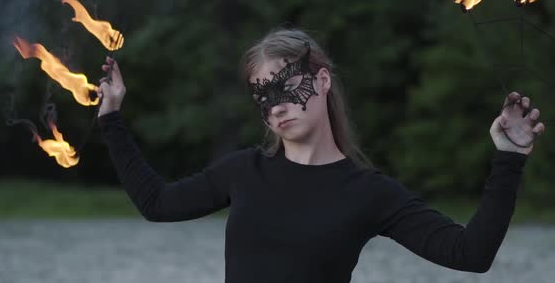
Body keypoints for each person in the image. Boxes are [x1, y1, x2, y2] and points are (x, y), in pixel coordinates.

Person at [96, 28, 546, 283]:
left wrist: (508, 159)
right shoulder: (244, 172)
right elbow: (156, 204)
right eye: (262, 94)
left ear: (323, 81)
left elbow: (470, 253)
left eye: (287, 86)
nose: (276, 104)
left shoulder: (368, 193)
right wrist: (112, 117)